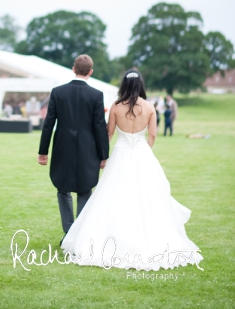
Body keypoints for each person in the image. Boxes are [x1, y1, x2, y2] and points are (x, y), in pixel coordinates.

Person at [61, 70, 202, 270]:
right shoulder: (149, 107)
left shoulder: (117, 107)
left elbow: (108, 134)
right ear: (141, 85)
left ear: (124, 86)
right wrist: (145, 150)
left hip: (120, 152)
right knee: (148, 196)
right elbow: (152, 135)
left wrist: (103, 156)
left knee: (113, 195)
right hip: (142, 153)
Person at [37, 54, 109, 239]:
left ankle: (69, 231)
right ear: (90, 72)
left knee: (63, 188)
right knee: (85, 188)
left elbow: (48, 123)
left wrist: (43, 152)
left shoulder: (58, 92)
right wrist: (104, 155)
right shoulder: (96, 95)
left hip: (62, 146)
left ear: (73, 69)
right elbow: (100, 127)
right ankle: (80, 233)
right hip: (88, 148)